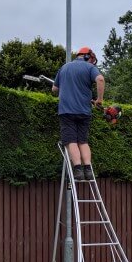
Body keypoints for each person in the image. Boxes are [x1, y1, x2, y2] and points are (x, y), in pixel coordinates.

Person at [52, 46, 105, 181]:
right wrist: (99, 99)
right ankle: (88, 170)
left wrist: (65, 87)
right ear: (87, 56)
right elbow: (100, 79)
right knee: (83, 141)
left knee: (71, 141)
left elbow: (54, 89)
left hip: (67, 111)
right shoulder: (89, 68)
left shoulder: (64, 68)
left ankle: (78, 170)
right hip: (84, 111)